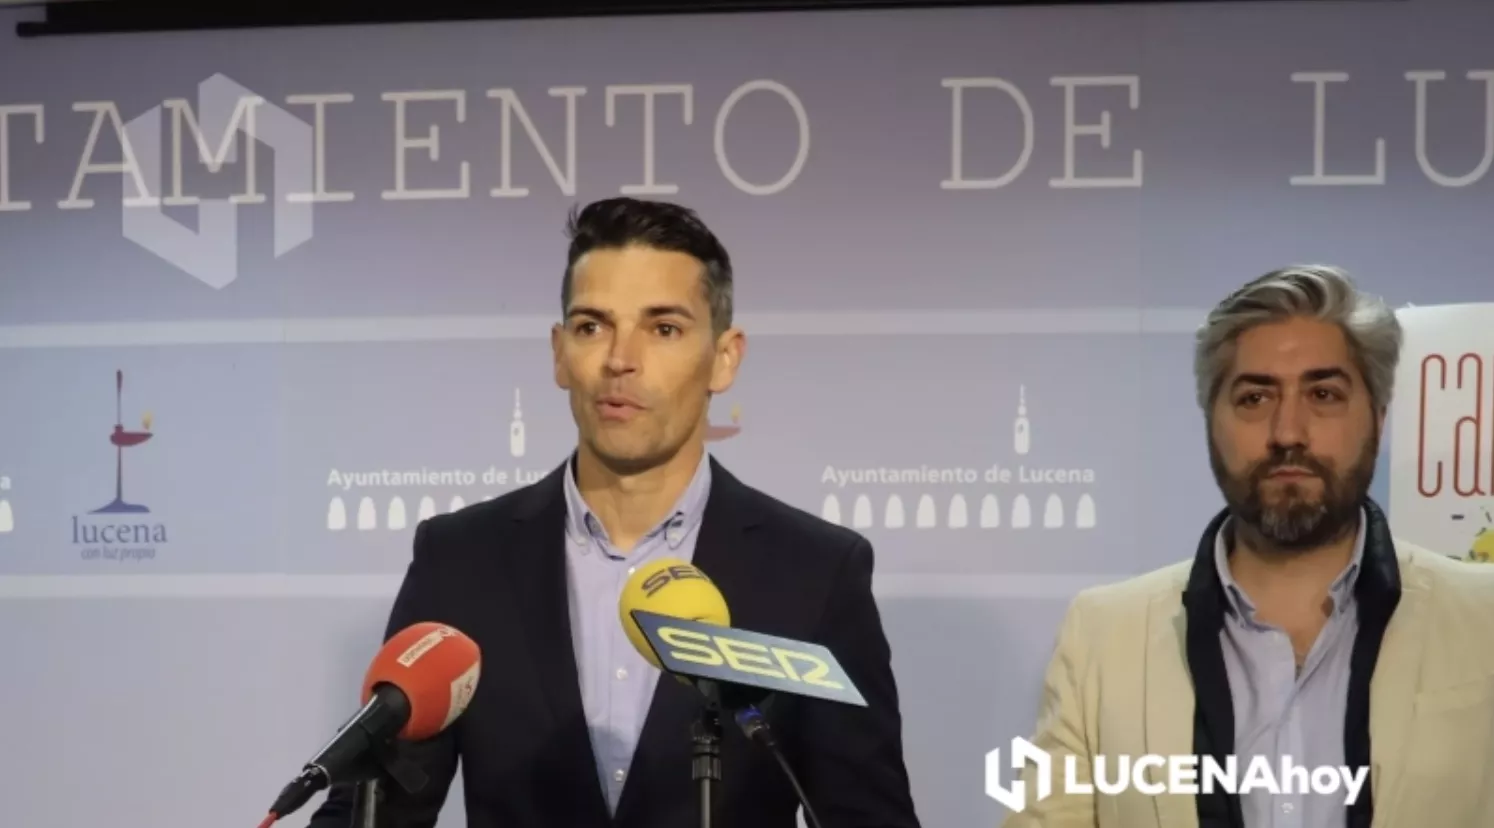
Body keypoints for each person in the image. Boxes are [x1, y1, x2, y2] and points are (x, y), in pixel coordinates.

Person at [308, 197, 922, 828]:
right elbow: (375, 810)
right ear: (558, 353)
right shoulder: (461, 561)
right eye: (592, 326)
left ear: (725, 358)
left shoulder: (814, 573)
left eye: (664, 329)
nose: (620, 359)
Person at [1000, 266, 1494, 828]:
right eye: (1255, 397)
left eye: (1324, 394)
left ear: (1378, 420)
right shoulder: (1103, 635)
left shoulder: (1484, 618)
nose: (1288, 431)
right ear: (1212, 422)